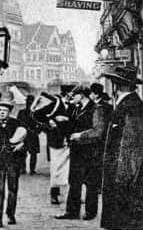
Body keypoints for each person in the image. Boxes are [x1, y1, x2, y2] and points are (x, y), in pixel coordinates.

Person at [98, 65, 143, 230]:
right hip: (133, 181)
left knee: (130, 223)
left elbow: (131, 148)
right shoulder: (132, 105)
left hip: (131, 185)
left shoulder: (130, 107)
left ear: (117, 86)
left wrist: (122, 183)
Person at [56, 84, 96, 220]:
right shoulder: (77, 108)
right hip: (77, 149)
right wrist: (64, 121)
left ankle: (90, 212)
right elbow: (73, 125)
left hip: (90, 149)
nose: (72, 98)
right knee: (74, 180)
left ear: (81, 95)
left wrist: (80, 135)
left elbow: (96, 130)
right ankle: (72, 212)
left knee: (90, 181)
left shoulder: (94, 108)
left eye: (74, 95)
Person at [0, 100, 27, 228]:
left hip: (13, 161)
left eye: (4, 110)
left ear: (9, 112)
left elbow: (29, 138)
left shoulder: (17, 124)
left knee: (12, 189)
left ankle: (10, 214)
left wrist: (21, 145)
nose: (2, 113)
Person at [16, 94, 40, 175]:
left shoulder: (37, 113)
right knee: (23, 152)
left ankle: (32, 169)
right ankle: (23, 168)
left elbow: (41, 124)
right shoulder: (21, 112)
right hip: (24, 135)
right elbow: (18, 123)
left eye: (31, 102)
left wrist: (37, 131)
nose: (29, 103)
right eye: (28, 102)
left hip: (33, 134)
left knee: (33, 153)